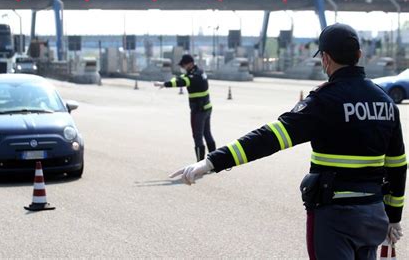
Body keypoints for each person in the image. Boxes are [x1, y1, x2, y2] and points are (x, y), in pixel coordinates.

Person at [169, 23, 406, 259]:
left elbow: (270, 138)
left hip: (335, 218)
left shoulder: (324, 101)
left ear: (325, 58)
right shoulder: (385, 102)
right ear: (359, 56)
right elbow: (397, 166)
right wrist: (394, 217)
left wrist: (211, 162)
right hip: (373, 216)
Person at [154, 54, 216, 161]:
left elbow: (181, 82)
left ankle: (200, 164)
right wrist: (165, 83)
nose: (182, 67)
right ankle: (215, 161)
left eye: (184, 65)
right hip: (207, 108)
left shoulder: (193, 77)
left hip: (198, 110)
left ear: (190, 64)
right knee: (207, 134)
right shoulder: (200, 72)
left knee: (197, 136)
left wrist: (165, 85)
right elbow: (180, 78)